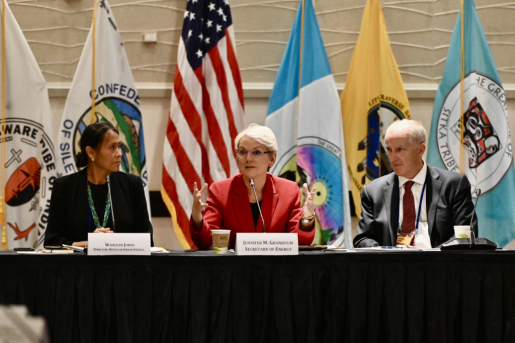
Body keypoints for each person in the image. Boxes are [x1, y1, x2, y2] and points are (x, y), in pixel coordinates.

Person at [353, 119, 477, 248]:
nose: (392, 157)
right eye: (389, 149)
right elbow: (363, 239)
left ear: (420, 150)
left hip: (439, 264)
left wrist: (429, 257)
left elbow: (464, 236)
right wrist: (390, 253)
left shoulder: (454, 185)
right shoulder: (373, 191)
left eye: (400, 149)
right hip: (391, 265)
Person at [190, 124, 316, 250]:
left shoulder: (288, 191)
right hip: (233, 267)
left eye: (256, 152)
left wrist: (307, 219)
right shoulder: (221, 191)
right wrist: (197, 217)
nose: (248, 159)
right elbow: (206, 242)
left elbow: (300, 243)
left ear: (272, 158)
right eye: (243, 152)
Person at [44, 122, 153, 247]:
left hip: (123, 265)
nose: (120, 153)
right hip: (78, 265)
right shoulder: (65, 187)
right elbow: (51, 242)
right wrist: (89, 244)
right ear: (91, 152)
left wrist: (108, 244)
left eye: (119, 146)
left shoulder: (132, 185)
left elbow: (147, 239)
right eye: (112, 147)